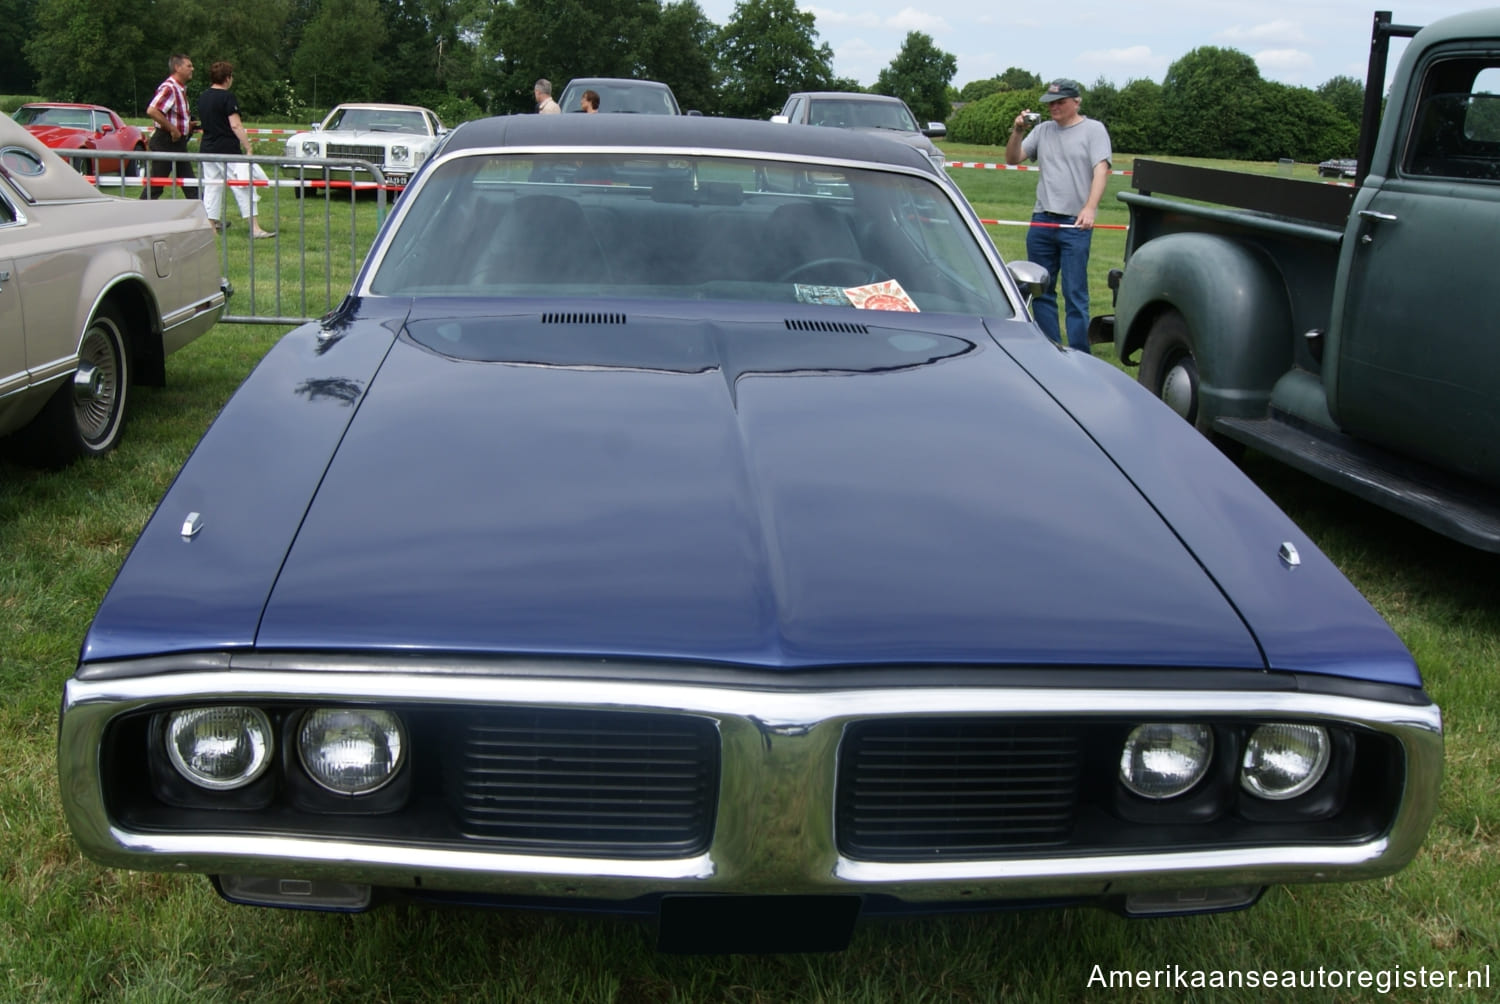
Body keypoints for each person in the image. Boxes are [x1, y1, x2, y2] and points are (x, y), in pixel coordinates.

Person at [1005, 78, 1112, 353]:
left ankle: (1078, 354)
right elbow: (1012, 158)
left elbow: (1101, 170)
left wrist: (1089, 208)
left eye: (1060, 102)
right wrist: (1017, 131)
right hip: (1043, 219)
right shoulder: (1042, 131)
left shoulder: (1094, 130)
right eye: (1050, 103)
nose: (1054, 107)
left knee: (1075, 293)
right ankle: (1050, 349)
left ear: (1076, 102)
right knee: (1040, 290)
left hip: (1076, 223)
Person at [197, 61, 275, 238]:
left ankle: (210, 229)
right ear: (227, 78)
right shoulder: (227, 97)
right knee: (244, 187)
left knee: (212, 188)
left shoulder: (203, 97)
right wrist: (248, 147)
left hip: (207, 149)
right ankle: (255, 228)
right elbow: (236, 125)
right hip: (227, 150)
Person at [141, 54, 198, 200]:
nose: (193, 69)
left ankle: (207, 218)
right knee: (156, 185)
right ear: (177, 68)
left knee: (190, 184)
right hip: (165, 142)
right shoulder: (170, 88)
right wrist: (173, 129)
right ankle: (137, 216)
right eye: (189, 66)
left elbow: (171, 114)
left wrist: (187, 126)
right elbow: (152, 110)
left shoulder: (179, 89)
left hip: (176, 142)